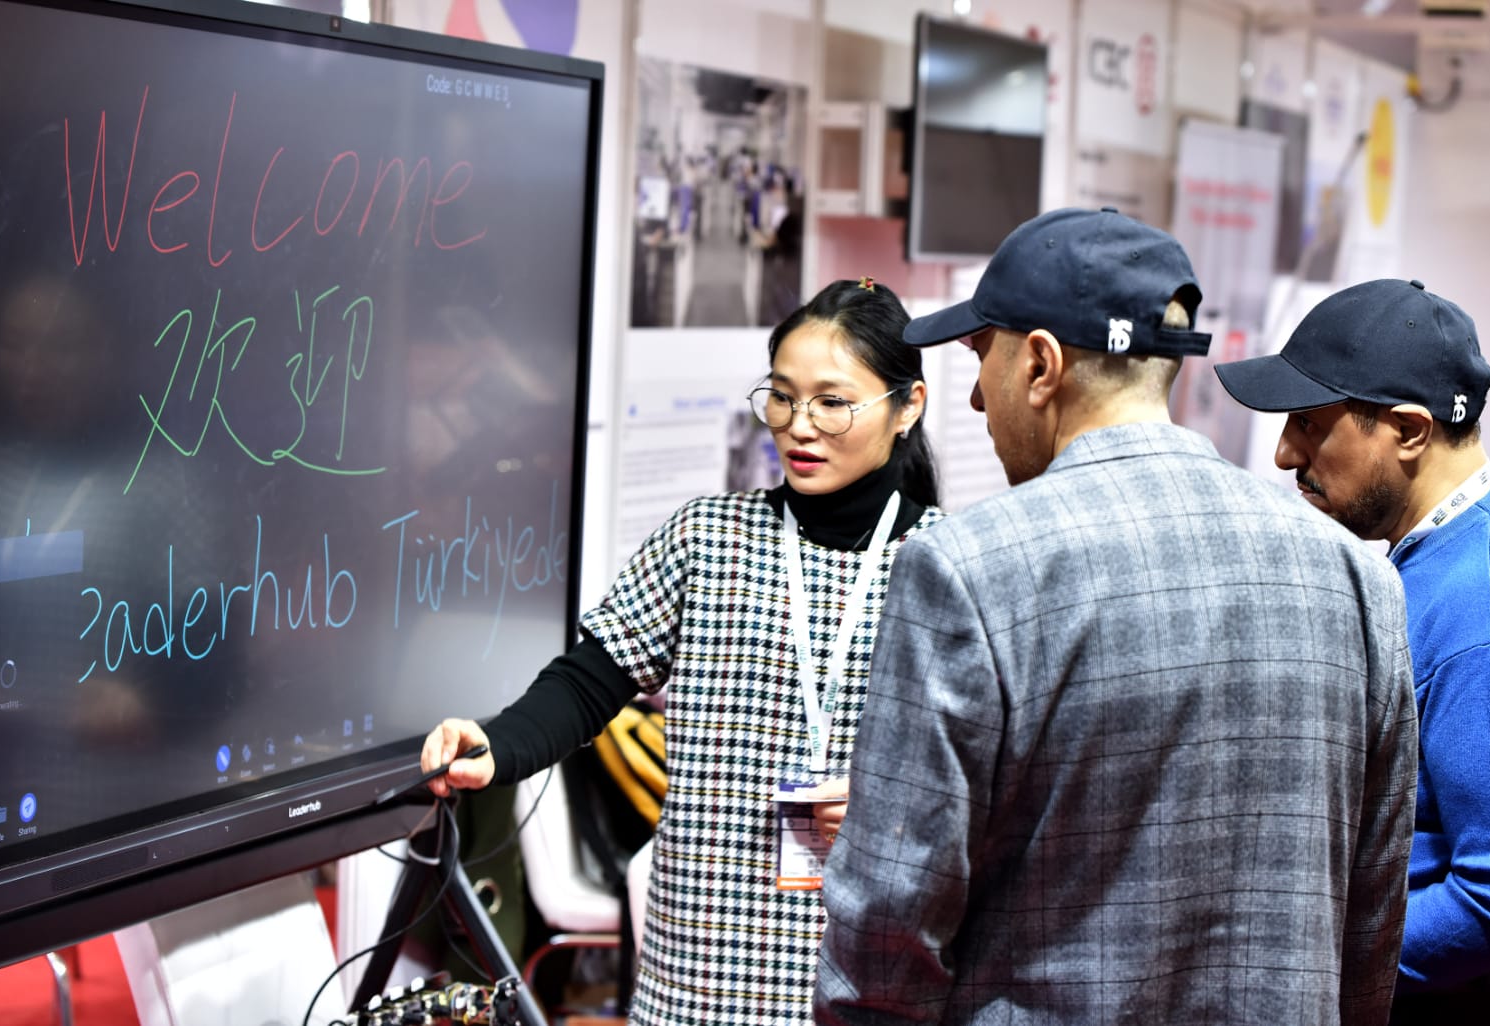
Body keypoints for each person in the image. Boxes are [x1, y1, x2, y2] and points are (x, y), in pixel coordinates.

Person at [814, 209, 1419, 1025]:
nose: (976, 395)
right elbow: (1372, 910)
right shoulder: (1356, 575)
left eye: (981, 355)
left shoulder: (967, 568)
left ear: (1040, 364)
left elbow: (891, 925)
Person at [422, 277, 946, 1025]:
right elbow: (591, 679)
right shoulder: (708, 538)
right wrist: (496, 745)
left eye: (833, 402)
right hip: (699, 966)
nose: (799, 426)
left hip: (866, 963)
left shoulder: (947, 565)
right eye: (781, 397)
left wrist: (888, 808)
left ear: (908, 406)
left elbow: (993, 778)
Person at [1215, 278, 1490, 1024]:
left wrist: (1313, 966)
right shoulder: (1454, 551)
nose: (1284, 452)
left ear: (1410, 430)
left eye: (1309, 423)